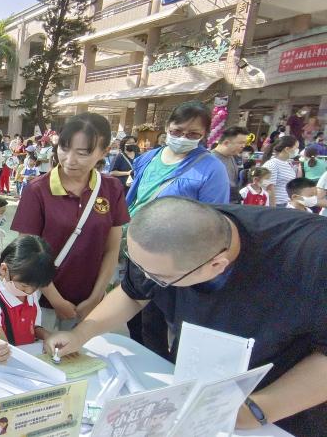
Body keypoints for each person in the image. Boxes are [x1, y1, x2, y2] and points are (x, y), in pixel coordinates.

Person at [44, 197, 327, 436]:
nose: (146, 278)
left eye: (160, 278)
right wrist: (81, 333)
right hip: (199, 392)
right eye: (137, 265)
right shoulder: (170, 236)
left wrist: (258, 409)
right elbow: (132, 293)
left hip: (285, 408)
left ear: (217, 265)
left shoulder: (312, 256)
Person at [125, 101, 229, 358]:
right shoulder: (148, 158)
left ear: (204, 135)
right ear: (167, 127)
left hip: (177, 258)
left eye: (193, 134)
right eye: (178, 131)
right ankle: (140, 362)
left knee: (159, 319)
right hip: (137, 250)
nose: (183, 138)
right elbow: (134, 197)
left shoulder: (210, 168)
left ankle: (161, 369)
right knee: (132, 313)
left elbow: (214, 218)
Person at [12, 113, 129, 330]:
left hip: (89, 304)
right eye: (64, 148)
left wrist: (95, 298)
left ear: (104, 152)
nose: (70, 159)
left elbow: (112, 250)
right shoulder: (37, 190)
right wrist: (57, 301)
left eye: (83, 153)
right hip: (41, 301)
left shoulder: (112, 189)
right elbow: (27, 252)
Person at [0, 235, 54, 362]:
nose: (29, 292)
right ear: (4, 269)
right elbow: (1, 341)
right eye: (24, 286)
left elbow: (34, 327)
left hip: (23, 361)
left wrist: (48, 336)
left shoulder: (30, 291)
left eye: (35, 288)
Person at [212, 126, 250, 203]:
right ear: (226, 143)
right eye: (241, 143)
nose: (243, 146)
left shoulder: (232, 157)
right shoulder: (210, 160)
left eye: (244, 143)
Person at [262, 135, 299, 207]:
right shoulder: (272, 164)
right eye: (296, 148)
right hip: (277, 205)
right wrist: (273, 209)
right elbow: (268, 188)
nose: (297, 150)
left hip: (287, 203)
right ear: (287, 149)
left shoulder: (287, 163)